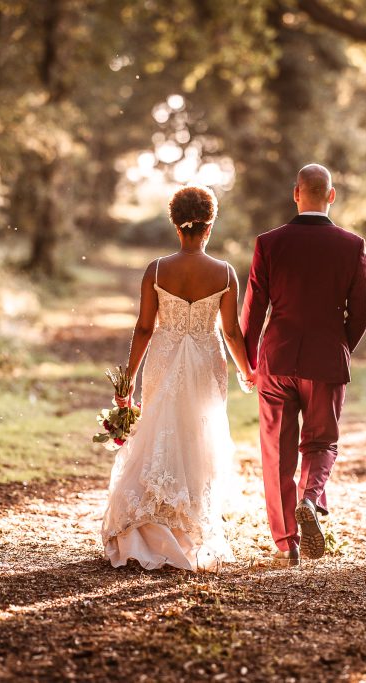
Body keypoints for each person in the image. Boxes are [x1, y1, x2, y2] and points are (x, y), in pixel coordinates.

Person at [101, 185, 254, 572]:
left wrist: (128, 382)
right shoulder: (224, 273)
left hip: (164, 360)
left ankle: (150, 525)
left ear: (175, 223)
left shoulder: (156, 270)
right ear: (210, 225)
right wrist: (247, 370)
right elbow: (232, 332)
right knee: (196, 434)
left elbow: (144, 328)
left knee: (158, 430)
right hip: (206, 360)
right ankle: (188, 527)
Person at [241, 163, 366, 566]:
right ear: (330, 195)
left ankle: (288, 544)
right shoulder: (352, 245)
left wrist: (249, 361)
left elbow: (254, 307)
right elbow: (362, 310)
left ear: (296, 193)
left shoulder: (269, 243)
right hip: (326, 359)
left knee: (277, 452)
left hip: (277, 358)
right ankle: (311, 500)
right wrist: (339, 347)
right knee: (321, 443)